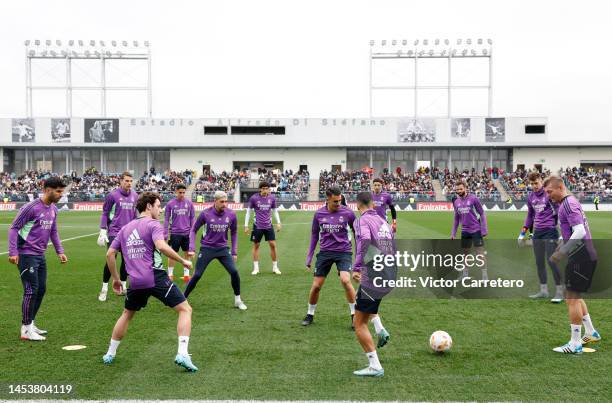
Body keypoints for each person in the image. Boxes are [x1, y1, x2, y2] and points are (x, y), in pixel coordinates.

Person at [102, 192, 197, 371]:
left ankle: (110, 353)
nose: (160, 210)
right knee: (185, 309)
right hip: (155, 276)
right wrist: (183, 261)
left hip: (135, 282)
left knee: (127, 314)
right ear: (148, 206)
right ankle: (183, 353)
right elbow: (161, 246)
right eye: (158, 206)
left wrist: (116, 279)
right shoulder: (153, 224)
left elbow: (109, 254)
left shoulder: (125, 228)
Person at [545, 176, 601, 354]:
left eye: (549, 191)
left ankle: (575, 343)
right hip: (583, 256)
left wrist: (562, 252)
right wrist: (562, 244)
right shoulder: (567, 203)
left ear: (560, 187)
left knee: (572, 299)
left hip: (581, 257)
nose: (548, 195)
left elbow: (579, 231)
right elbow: (571, 231)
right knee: (574, 296)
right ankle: (591, 332)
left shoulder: (568, 204)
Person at [8, 177, 68, 341]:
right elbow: (13, 228)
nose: (61, 194)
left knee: (41, 289)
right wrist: (13, 252)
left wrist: (59, 251)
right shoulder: (31, 208)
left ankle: (30, 323)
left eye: (62, 191)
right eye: (58, 191)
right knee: (31, 289)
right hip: (26, 254)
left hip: (40, 255)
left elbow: (53, 231)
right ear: (47, 190)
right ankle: (26, 330)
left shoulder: (54, 209)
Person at [352, 192, 394, 377]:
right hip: (388, 272)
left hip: (375, 274)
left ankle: (375, 366)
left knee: (358, 322)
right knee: (361, 300)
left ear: (357, 205)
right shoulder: (383, 221)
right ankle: (380, 329)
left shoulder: (362, 221)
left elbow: (365, 242)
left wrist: (357, 267)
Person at [302, 187, 357, 327]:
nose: (338, 203)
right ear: (327, 199)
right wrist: (309, 257)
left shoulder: (348, 213)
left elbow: (358, 234)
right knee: (316, 286)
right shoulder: (319, 214)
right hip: (325, 252)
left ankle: (355, 316)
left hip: (344, 252)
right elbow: (314, 235)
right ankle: (310, 314)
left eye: (339, 200)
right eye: (335, 201)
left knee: (345, 280)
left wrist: (360, 256)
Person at [185, 191, 247, 310]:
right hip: (207, 248)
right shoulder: (205, 214)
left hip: (223, 249)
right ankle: (182, 299)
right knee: (197, 275)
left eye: (226, 201)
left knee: (234, 272)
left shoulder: (231, 214)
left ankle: (238, 300)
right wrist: (191, 248)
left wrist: (234, 252)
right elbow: (193, 230)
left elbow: (234, 233)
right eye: (222, 202)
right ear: (215, 201)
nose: (224, 204)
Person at [518, 172, 563, 302]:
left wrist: (562, 230)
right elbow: (530, 216)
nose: (534, 186)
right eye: (531, 184)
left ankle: (560, 292)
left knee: (552, 261)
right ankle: (543, 291)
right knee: (539, 262)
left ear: (541, 181)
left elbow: (559, 212)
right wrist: (522, 233)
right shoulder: (530, 197)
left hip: (550, 231)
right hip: (537, 232)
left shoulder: (549, 194)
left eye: (536, 183)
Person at [97, 172, 138, 302]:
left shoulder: (135, 196)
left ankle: (123, 287)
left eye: (131, 181)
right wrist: (103, 230)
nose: (129, 183)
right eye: (126, 180)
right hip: (114, 232)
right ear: (121, 181)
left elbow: (135, 216)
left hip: (129, 233)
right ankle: (104, 289)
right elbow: (105, 213)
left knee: (126, 262)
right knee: (111, 259)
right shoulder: (112, 195)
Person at [451, 180, 488, 280]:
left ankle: (484, 276)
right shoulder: (456, 202)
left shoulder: (473, 199)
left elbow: (482, 213)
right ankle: (465, 274)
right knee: (465, 253)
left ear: (465, 188)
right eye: (457, 189)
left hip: (476, 230)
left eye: (461, 189)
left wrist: (484, 229)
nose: (459, 191)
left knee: (479, 253)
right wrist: (453, 233)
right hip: (465, 231)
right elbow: (456, 218)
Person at [245, 182, 282, 275]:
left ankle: (275, 267)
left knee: (273, 245)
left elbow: (275, 211)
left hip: (268, 225)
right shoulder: (254, 198)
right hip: (257, 226)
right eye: (264, 188)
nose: (266, 190)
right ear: (260, 189)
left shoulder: (272, 198)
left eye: (267, 188)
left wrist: (278, 222)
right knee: (256, 246)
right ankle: (256, 268)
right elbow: (248, 212)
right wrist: (246, 226)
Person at [164, 184, 196, 282]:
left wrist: (192, 231)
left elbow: (192, 218)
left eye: (183, 192)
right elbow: (166, 219)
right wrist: (165, 233)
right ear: (176, 192)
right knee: (172, 254)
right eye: (180, 192)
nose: (182, 194)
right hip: (175, 233)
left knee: (187, 254)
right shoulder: (170, 204)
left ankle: (186, 275)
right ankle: (170, 274)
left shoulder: (189, 203)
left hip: (186, 233)